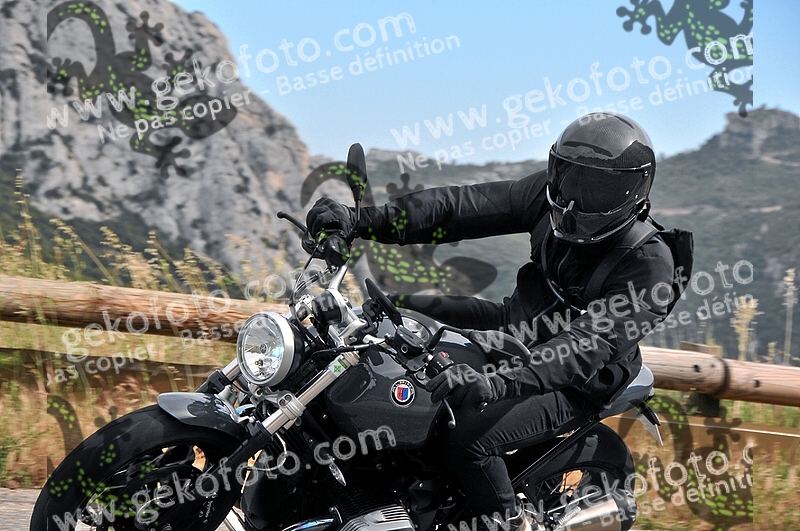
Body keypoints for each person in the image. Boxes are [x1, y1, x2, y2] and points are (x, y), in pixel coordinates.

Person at [305, 112, 678, 530]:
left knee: (466, 440)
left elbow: (586, 346)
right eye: (569, 179)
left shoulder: (650, 265)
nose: (573, 200)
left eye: (594, 188)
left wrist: (499, 383)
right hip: (513, 331)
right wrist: (362, 220)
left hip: (576, 380)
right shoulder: (548, 196)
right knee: (401, 318)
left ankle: (508, 521)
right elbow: (459, 208)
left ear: (630, 192)